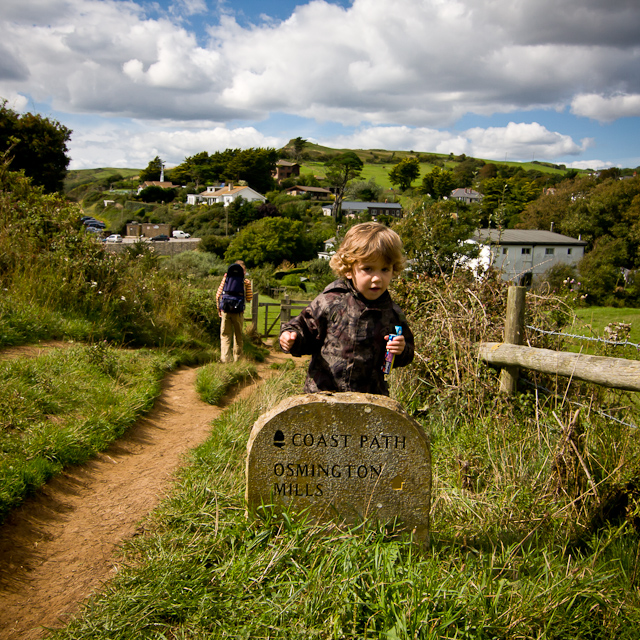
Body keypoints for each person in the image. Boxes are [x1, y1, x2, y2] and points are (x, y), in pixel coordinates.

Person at [279, 222, 414, 396]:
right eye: (368, 269)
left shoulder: (392, 313)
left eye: (385, 269)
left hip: (369, 399)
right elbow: (304, 327)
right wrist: (291, 337)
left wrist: (401, 350)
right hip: (324, 395)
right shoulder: (331, 301)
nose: (377, 278)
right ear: (349, 269)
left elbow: (407, 351)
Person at [216, 260, 253, 363]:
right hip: (238, 312)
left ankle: (225, 359)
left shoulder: (226, 279)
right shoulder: (246, 282)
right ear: (243, 271)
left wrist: (219, 309)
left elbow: (218, 295)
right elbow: (249, 298)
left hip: (226, 310)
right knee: (238, 336)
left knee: (225, 335)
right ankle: (237, 359)